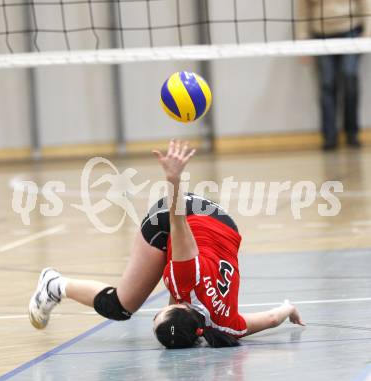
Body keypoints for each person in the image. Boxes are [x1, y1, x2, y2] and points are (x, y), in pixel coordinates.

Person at [29, 140, 305, 348]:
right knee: (121, 306)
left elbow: (270, 319)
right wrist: (173, 179)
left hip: (225, 226)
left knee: (130, 302)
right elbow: (178, 220)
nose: (155, 314)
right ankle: (53, 284)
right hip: (185, 216)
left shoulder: (227, 326)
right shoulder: (185, 277)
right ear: (180, 306)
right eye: (159, 315)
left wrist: (288, 308)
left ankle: (56, 285)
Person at [297, 0, 371, 150]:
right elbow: (303, 10)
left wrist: (368, 32)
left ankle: (352, 134)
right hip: (321, 34)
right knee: (327, 83)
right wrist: (302, 41)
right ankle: (329, 137)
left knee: (349, 76)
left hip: (351, 30)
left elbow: (366, 3)